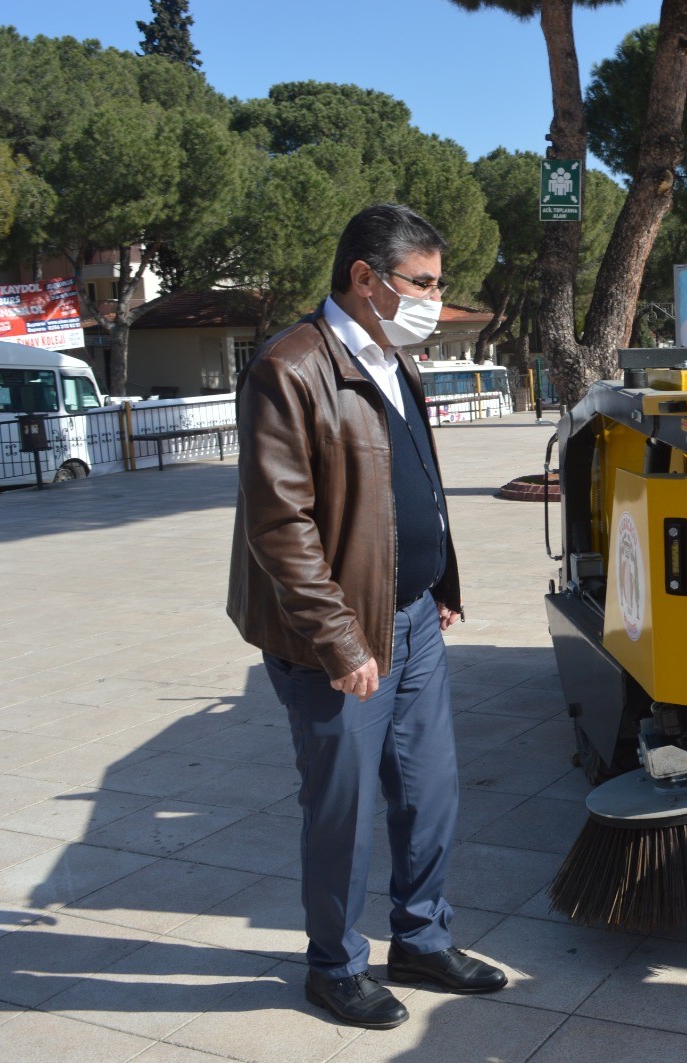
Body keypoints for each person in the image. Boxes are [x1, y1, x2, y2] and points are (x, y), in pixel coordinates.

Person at [227, 203, 506, 1030]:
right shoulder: (291, 366)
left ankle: (420, 937)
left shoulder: (391, 357)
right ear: (364, 278)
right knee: (343, 806)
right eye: (421, 282)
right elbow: (281, 525)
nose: (432, 298)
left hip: (415, 616)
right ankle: (335, 965)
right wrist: (340, 640)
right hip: (337, 638)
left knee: (431, 791)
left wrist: (440, 576)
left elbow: (412, 476)